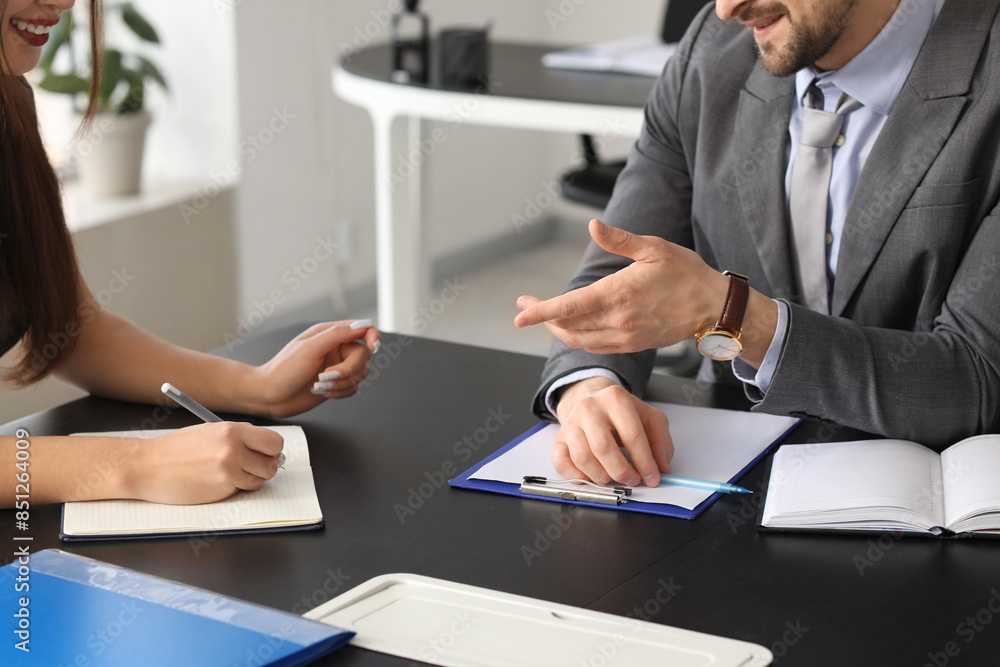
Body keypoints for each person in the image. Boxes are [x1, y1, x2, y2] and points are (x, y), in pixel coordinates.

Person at [514, 0, 1000, 489]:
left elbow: (976, 381)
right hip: (732, 475)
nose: (727, 9)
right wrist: (590, 387)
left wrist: (735, 315)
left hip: (936, 495)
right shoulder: (714, 48)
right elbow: (618, 272)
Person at [0, 0, 380, 508]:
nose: (65, 3)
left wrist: (259, 387)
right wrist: (136, 465)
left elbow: (72, 330)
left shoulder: (9, 99)